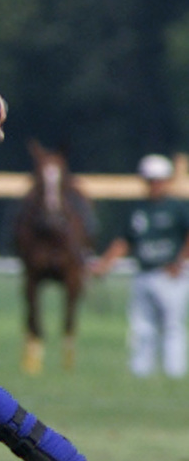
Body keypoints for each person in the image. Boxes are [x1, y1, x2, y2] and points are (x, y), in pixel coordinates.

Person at [92, 153, 189, 378]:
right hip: (144, 274)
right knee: (142, 327)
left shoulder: (176, 208)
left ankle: (175, 372)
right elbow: (125, 241)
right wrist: (105, 264)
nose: (153, 184)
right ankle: (141, 372)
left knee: (172, 326)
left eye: (157, 179)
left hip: (170, 275)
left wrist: (180, 262)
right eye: (150, 179)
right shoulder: (139, 211)